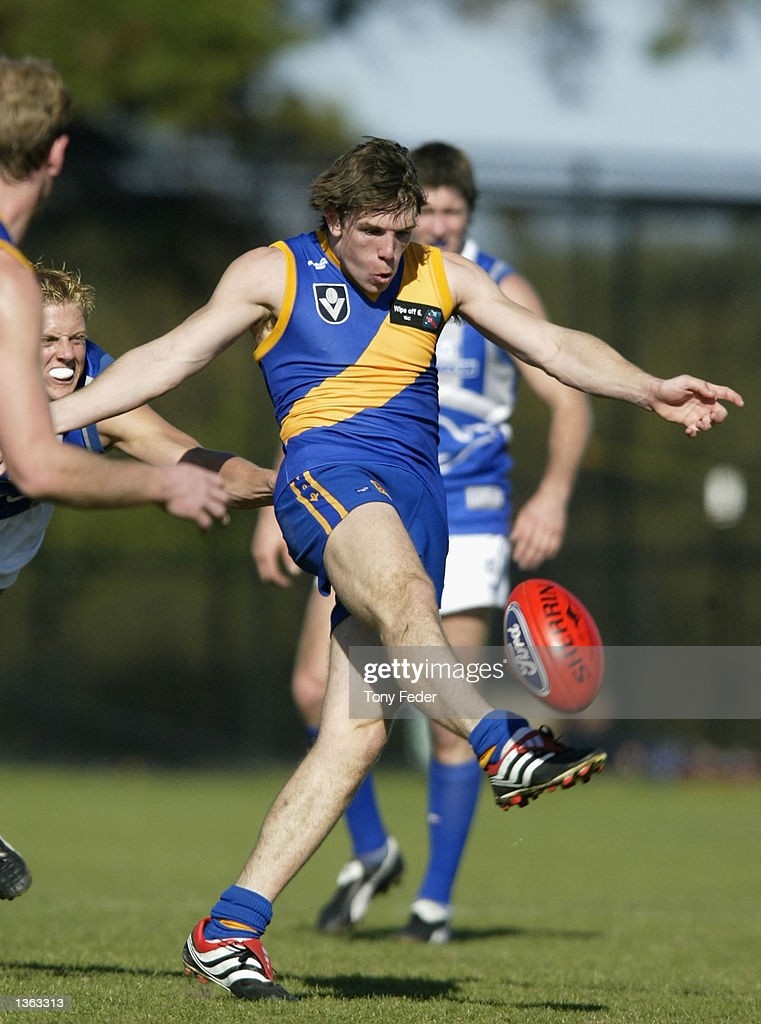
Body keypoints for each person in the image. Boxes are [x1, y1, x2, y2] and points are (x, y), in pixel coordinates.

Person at [49, 137, 742, 1001]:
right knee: (409, 600)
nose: (390, 251)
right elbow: (167, 358)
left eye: (401, 231)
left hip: (422, 502)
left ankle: (227, 929)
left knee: (356, 733)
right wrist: (40, 427)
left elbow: (552, 344)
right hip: (330, 477)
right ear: (332, 218)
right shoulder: (274, 273)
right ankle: (500, 742)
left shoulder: (438, 274)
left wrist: (646, 387)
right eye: (373, 232)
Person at [250, 140, 593, 943]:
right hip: (354, 494)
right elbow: (323, 392)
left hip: (460, 504)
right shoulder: (370, 271)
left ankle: (432, 902)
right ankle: (379, 841)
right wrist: (274, 494)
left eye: (445, 214)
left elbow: (562, 379)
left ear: (465, 214)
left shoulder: (483, 283)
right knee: (322, 693)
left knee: (418, 692)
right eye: (418, 214)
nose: (427, 228)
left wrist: (552, 491)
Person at [0, 55, 227, 905]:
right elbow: (37, 464)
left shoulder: (71, 355)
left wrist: (295, 488)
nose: (60, 357)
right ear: (56, 157)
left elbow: (175, 448)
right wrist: (157, 489)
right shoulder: (9, 286)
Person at [0, 263, 276, 596]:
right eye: (47, 340)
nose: (67, 355)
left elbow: (195, 464)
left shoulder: (98, 397)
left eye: (77, 339)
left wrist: (279, 483)